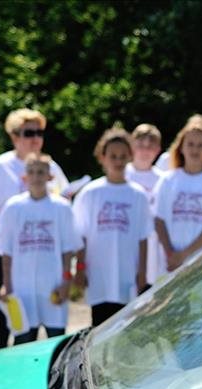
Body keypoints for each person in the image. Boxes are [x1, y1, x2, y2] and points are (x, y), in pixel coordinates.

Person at [0, 108, 69, 350]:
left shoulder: (49, 166)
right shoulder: (0, 167)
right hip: (12, 253)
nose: (35, 138)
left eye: (39, 132)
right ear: (14, 136)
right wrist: (0, 235)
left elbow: (63, 199)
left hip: (44, 253)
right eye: (28, 132)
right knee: (9, 304)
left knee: (45, 310)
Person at [0, 154, 80, 344]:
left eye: (41, 172)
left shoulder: (61, 207)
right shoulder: (13, 207)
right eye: (31, 172)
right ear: (24, 177)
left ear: (50, 176)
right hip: (21, 288)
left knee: (56, 342)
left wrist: (67, 281)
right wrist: (6, 283)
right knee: (23, 341)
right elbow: (5, 250)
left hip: (52, 285)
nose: (36, 177)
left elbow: (69, 249)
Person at [73, 128, 150, 326]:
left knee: (126, 329)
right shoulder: (90, 193)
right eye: (113, 156)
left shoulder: (138, 195)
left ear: (130, 157)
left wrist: (142, 273)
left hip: (127, 275)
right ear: (102, 157)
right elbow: (80, 235)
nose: (118, 161)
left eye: (123, 156)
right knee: (99, 327)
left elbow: (143, 237)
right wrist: (80, 269)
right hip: (99, 275)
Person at [153, 120, 202, 274]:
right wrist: (170, 254)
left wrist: (185, 255)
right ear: (181, 147)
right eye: (190, 144)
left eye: (201, 145)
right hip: (169, 262)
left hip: (200, 261)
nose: (195, 149)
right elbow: (159, 220)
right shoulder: (167, 180)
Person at [125, 123, 165, 285]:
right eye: (140, 145)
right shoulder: (123, 174)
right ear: (132, 146)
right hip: (127, 240)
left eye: (150, 146)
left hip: (154, 245)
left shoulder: (163, 179)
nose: (145, 150)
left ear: (158, 150)